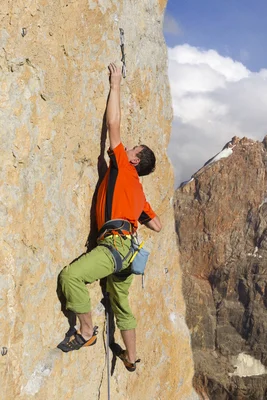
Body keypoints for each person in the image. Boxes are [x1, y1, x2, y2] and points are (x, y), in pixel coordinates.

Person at [57, 62, 162, 372]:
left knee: (71, 277)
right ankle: (131, 358)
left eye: (133, 148)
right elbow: (157, 225)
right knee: (120, 301)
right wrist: (136, 213)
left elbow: (113, 126)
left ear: (134, 158)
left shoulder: (124, 168)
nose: (127, 146)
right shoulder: (140, 194)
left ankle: (87, 332)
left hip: (113, 248)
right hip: (129, 251)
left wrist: (115, 85)